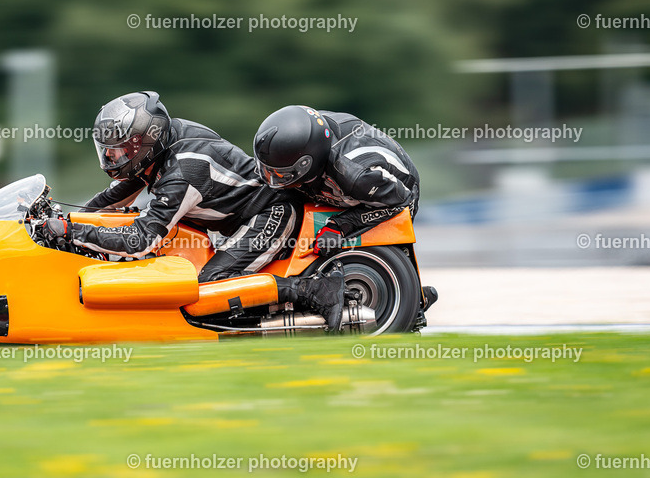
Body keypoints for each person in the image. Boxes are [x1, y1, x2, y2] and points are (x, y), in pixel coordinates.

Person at [40, 91, 346, 327]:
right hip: (232, 219)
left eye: (120, 149)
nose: (112, 156)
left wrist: (71, 231)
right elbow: (110, 200)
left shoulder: (183, 172)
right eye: (108, 149)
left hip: (269, 211)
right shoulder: (159, 149)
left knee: (207, 287)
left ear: (147, 140)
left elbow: (141, 240)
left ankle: (313, 291)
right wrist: (62, 219)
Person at [252, 106, 420, 255]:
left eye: (281, 174)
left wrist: (340, 226)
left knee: (331, 243)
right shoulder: (303, 130)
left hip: (396, 194)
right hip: (342, 175)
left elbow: (402, 202)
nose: (271, 178)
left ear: (308, 164)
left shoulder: (355, 175)